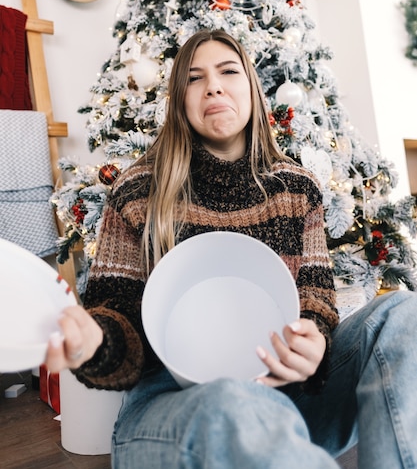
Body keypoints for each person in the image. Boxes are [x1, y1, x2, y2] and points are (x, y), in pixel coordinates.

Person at [46, 29, 417, 468]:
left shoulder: (296, 188)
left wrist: (313, 344)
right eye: (195, 78)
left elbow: (316, 303)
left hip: (292, 399)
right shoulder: (136, 191)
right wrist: (94, 341)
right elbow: (116, 316)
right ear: (180, 100)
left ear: (252, 89)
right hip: (177, 411)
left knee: (402, 315)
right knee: (235, 400)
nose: (214, 86)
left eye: (228, 71)